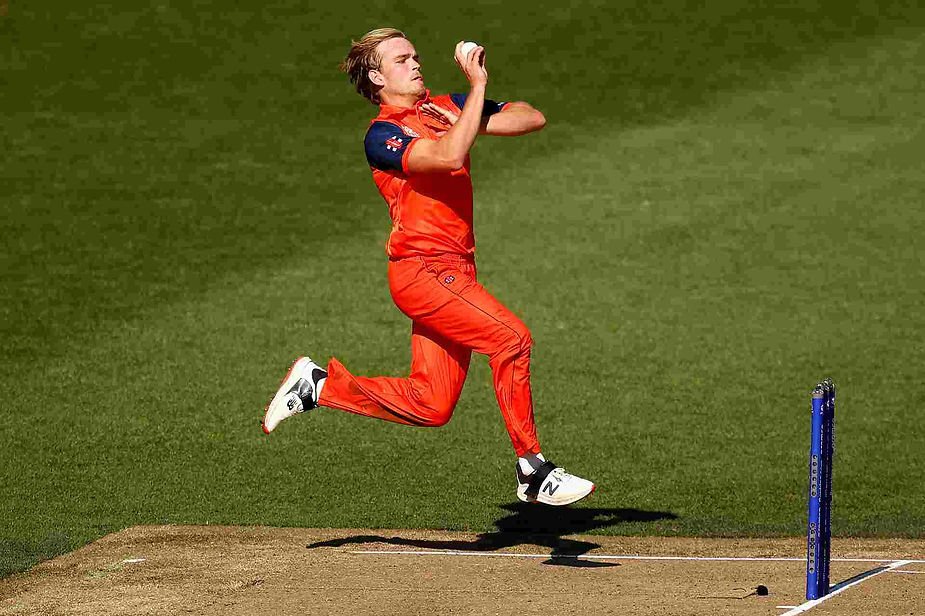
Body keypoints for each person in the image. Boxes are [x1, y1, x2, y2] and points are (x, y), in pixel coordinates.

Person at [262, 28, 595, 506]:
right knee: (511, 338)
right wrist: (477, 90)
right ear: (377, 76)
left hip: (456, 272)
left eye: (415, 55)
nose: (416, 64)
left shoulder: (443, 107)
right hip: (422, 270)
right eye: (402, 60)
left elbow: (531, 118)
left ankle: (320, 385)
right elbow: (447, 155)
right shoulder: (382, 135)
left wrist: (473, 109)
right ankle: (533, 467)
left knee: (432, 403)